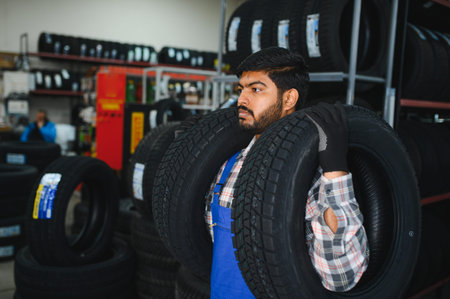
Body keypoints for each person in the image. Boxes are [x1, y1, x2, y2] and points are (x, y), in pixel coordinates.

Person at [205, 47, 369, 298]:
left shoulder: (309, 178)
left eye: (256, 89)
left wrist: (335, 169)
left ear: (289, 99)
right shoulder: (228, 166)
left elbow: (340, 276)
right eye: (242, 89)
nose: (241, 100)